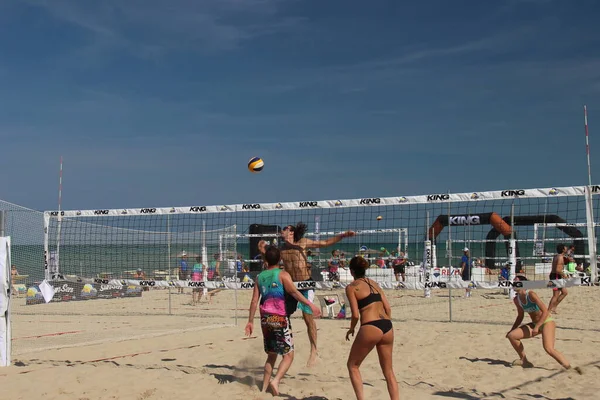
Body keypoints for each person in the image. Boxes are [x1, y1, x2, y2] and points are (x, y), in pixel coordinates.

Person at [245, 245, 321, 396]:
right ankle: (276, 380)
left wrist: (250, 321)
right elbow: (294, 293)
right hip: (280, 318)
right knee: (288, 356)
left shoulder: (259, 277)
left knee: (271, 355)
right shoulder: (283, 274)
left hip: (265, 319)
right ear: (280, 259)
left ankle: (264, 388)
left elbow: (254, 301)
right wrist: (310, 304)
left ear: (265, 260)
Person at [279, 222, 355, 367]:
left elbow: (325, 243)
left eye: (285, 229)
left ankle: (313, 350)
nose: (282, 230)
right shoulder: (281, 249)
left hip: (306, 284)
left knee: (307, 316)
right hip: (291, 285)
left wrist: (343, 235)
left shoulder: (302, 242)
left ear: (291, 232)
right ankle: (288, 346)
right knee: (283, 316)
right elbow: (271, 262)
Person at [345, 256, 399, 400]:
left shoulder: (351, 287)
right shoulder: (375, 284)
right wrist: (383, 323)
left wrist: (351, 329)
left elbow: (355, 315)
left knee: (353, 366)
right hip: (387, 326)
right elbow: (388, 308)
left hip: (370, 325)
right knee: (389, 372)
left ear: (351, 271)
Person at [506, 276, 579, 372]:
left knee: (549, 349)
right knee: (512, 336)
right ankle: (524, 361)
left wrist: (537, 326)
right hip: (535, 324)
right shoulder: (517, 299)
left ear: (523, 284)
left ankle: (570, 368)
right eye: (513, 281)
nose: (513, 283)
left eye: (516, 281)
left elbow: (545, 311)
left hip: (546, 322)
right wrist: (512, 329)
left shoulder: (531, 294)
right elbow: (520, 316)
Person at [548, 244, 568, 314]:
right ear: (563, 249)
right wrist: (564, 275)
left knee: (564, 292)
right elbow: (557, 270)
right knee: (555, 295)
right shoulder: (560, 258)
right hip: (556, 276)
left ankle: (553, 308)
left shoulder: (556, 256)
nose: (567, 248)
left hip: (554, 275)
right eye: (565, 247)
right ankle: (548, 311)